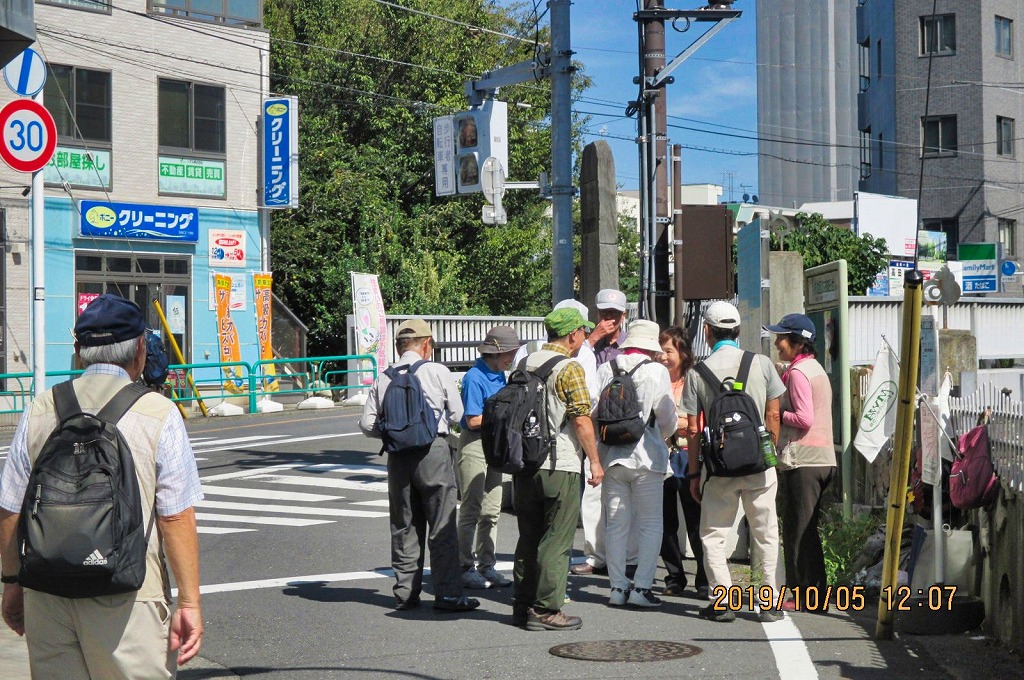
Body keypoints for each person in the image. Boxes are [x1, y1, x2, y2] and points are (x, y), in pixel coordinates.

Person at [0, 294, 204, 677]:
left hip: (48, 595)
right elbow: (175, 516)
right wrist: (189, 603)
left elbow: (10, 508)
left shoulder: (40, 408)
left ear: (80, 352)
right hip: (129, 600)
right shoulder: (159, 413)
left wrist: (12, 582)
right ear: (140, 349)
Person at [359, 319, 478, 612]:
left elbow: (367, 424)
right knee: (442, 523)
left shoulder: (384, 376)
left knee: (404, 524)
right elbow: (457, 413)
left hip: (398, 457)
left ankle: (405, 593)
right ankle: (448, 594)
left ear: (400, 347)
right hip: (433, 451)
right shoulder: (437, 371)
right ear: (426, 344)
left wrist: (394, 434)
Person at [681, 301, 786, 623]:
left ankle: (723, 600)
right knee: (765, 532)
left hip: (719, 468)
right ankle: (767, 603)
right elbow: (773, 414)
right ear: (738, 331)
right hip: (759, 467)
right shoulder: (762, 364)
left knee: (713, 534)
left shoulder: (697, 373)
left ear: (707, 331)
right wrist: (768, 455)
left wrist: (695, 472)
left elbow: (694, 428)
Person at [513, 307, 603, 631]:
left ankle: (522, 604)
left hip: (523, 463)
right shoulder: (570, 368)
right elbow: (581, 418)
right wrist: (594, 460)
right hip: (559, 463)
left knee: (528, 536)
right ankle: (547, 610)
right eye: (582, 331)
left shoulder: (524, 363)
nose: (583, 337)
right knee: (556, 539)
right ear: (572, 335)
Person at [594, 320, 676, 607]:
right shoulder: (657, 371)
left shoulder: (607, 369)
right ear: (651, 345)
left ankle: (617, 589)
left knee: (615, 525)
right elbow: (666, 417)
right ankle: (642, 589)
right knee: (651, 524)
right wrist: (660, 436)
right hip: (648, 458)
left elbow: (594, 412)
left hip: (613, 456)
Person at [763, 314, 836, 606]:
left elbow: (804, 418)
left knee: (799, 530)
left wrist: (777, 413)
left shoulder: (798, 373)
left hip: (804, 460)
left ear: (796, 342)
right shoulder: (813, 368)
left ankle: (809, 595)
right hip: (822, 459)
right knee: (805, 527)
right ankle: (810, 592)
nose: (777, 343)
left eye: (781, 338)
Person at [571, 288, 630, 577]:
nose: (609, 320)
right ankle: (595, 555)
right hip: (593, 423)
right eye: (604, 314)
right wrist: (592, 339)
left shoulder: (632, 345)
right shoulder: (585, 345)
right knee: (593, 488)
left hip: (622, 423)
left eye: (614, 315)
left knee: (623, 492)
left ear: (624, 316)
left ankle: (626, 557)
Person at [457, 326, 521, 589]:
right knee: (471, 508)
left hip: (494, 444)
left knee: (492, 510)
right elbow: (472, 420)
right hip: (474, 444)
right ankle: (463, 566)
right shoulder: (475, 377)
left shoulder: (500, 375)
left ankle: (487, 565)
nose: (512, 358)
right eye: (510, 353)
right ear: (497, 352)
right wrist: (505, 415)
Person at [657, 326, 709, 600]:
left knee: (695, 520)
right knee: (666, 521)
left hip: (690, 456)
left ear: (683, 353)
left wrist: (677, 424)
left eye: (669, 351)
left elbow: (698, 422)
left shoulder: (695, 379)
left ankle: (703, 577)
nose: (663, 357)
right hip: (662, 457)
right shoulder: (655, 379)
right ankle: (674, 575)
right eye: (661, 351)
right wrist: (678, 423)